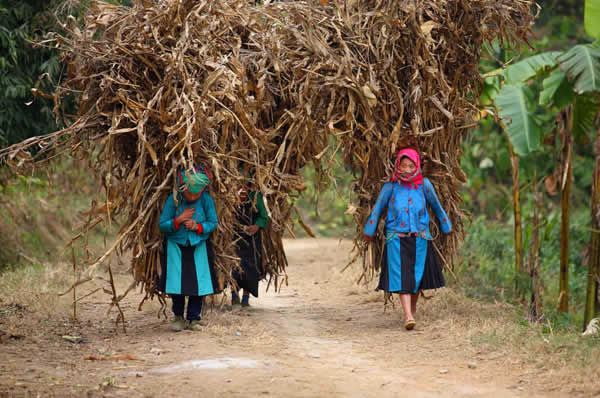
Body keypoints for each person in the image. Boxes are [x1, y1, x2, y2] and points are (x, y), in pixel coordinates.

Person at [363, 148, 451, 330]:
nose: (407, 170)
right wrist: (368, 231)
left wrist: (446, 226)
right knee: (402, 278)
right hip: (396, 238)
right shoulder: (390, 187)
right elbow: (378, 209)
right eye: (403, 166)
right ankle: (408, 315)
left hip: (420, 237)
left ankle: (412, 310)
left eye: (411, 166)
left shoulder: (424, 185)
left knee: (417, 278)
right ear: (397, 166)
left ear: (417, 166)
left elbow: (436, 206)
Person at [158, 166, 219, 331]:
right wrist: (178, 220)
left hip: (198, 245)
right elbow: (162, 224)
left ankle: (194, 319)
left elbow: (213, 223)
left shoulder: (206, 200)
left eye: (196, 193)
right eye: (189, 193)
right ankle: (178, 317)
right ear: (182, 188)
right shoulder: (174, 199)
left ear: (203, 190)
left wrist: (197, 226)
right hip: (175, 246)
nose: (193, 196)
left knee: (198, 284)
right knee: (176, 283)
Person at [231, 183, 269, 308]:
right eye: (239, 186)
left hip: (252, 239)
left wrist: (256, 226)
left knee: (251, 268)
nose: (242, 190)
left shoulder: (255, 197)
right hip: (234, 237)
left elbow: (264, 216)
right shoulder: (229, 197)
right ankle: (234, 297)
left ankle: (246, 299)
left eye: (246, 187)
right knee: (235, 267)